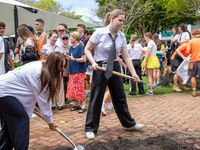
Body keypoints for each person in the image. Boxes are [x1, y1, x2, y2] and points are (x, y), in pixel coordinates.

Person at [84, 9, 144, 139]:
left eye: (123, 21)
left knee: (120, 97)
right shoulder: (99, 33)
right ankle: (90, 128)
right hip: (100, 67)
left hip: (115, 66)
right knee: (96, 98)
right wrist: (93, 62)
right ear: (112, 19)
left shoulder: (121, 36)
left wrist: (134, 74)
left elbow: (126, 57)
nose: (122, 23)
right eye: (120, 20)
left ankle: (128, 124)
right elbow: (87, 49)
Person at [0, 52, 65, 150]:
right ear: (54, 64)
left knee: (10, 126)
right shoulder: (42, 75)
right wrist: (50, 123)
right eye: (61, 66)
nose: (62, 69)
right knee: (21, 120)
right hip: (4, 91)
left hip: (4, 90)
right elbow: (44, 103)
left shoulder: (41, 66)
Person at [66, 31, 87, 113]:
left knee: (80, 88)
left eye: (71, 37)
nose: (69, 39)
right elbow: (71, 57)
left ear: (75, 38)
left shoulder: (80, 47)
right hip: (72, 70)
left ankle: (83, 105)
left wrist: (73, 59)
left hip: (79, 71)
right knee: (74, 88)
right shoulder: (71, 47)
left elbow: (84, 59)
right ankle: (78, 104)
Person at [186, 29, 200, 97]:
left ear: (193, 35)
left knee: (193, 76)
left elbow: (187, 52)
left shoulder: (191, 41)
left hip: (193, 61)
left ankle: (194, 91)